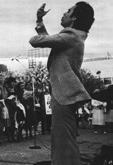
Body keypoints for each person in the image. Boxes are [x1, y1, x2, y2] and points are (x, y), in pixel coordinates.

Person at [30, 2, 94, 165]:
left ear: (74, 17)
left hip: (64, 94)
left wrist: (37, 31)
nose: (64, 13)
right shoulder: (74, 36)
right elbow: (49, 39)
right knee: (63, 138)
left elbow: (37, 41)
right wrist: (39, 20)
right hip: (65, 93)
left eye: (68, 11)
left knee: (62, 140)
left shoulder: (71, 35)